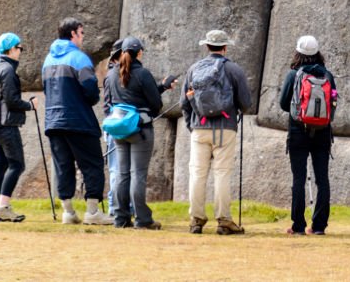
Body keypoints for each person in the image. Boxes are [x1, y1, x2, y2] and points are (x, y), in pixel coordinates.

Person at [42, 17, 112, 226]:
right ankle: (92, 211)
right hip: (78, 121)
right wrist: (93, 99)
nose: (82, 37)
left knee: (63, 166)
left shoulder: (48, 60)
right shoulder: (79, 58)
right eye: (81, 33)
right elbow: (90, 89)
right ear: (73, 33)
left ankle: (68, 212)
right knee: (92, 164)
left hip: (53, 121)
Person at [182, 29, 253, 235]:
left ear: (206, 46)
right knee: (222, 173)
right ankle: (224, 220)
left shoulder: (194, 69)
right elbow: (246, 103)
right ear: (225, 47)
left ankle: (196, 219)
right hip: (225, 128)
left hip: (199, 128)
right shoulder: (233, 70)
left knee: (197, 173)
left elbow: (183, 102)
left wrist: (191, 125)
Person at [103, 36, 176, 230]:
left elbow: (110, 101)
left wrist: (160, 86)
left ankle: (120, 217)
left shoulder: (111, 75)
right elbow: (155, 103)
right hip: (140, 130)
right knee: (138, 175)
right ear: (140, 53)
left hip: (119, 129)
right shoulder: (143, 74)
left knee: (121, 173)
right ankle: (142, 219)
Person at [278, 35, 336, 236]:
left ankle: (298, 225)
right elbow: (333, 105)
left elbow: (284, 104)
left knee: (299, 178)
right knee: (322, 179)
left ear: (298, 52)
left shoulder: (293, 75)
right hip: (322, 133)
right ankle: (319, 226)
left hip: (298, 131)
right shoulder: (327, 76)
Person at [0, 32, 34, 222]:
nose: (20, 52)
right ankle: (3, 207)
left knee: (0, 164)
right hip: (5, 124)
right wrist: (30, 105)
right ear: (11, 49)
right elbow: (11, 100)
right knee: (17, 164)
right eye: (19, 48)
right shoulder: (7, 70)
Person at [102, 47, 122, 218]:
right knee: (118, 169)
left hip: (110, 123)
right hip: (122, 123)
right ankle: (117, 207)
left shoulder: (109, 75)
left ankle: (114, 206)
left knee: (115, 169)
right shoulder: (117, 75)